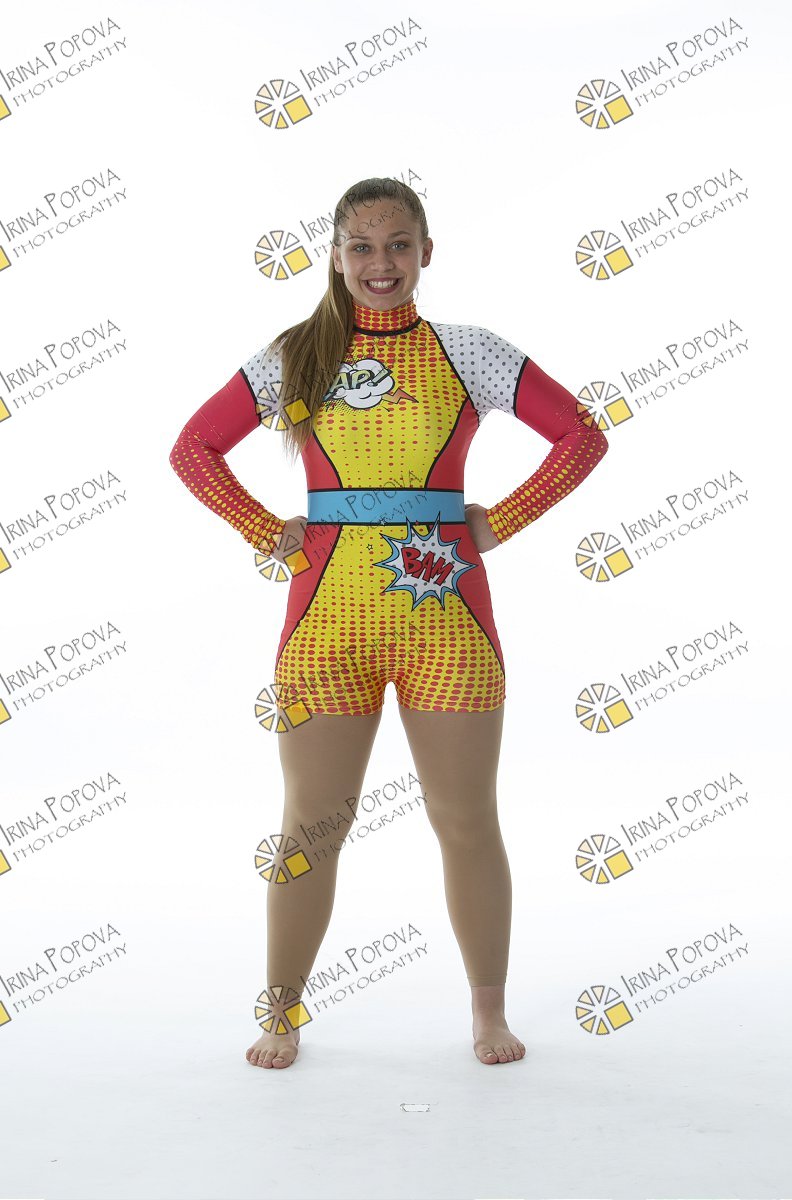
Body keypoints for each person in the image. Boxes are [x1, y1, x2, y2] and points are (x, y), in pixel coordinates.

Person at [168, 177, 609, 1070]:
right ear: (335, 256)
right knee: (310, 828)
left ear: (426, 252)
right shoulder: (298, 354)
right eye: (362, 247)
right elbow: (193, 449)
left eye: (399, 244)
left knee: (466, 818)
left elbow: (582, 436)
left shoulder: (468, 351)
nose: (382, 263)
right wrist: (264, 529)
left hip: (450, 626)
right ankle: (281, 1013)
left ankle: (488, 1013)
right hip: (325, 627)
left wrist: (499, 521)